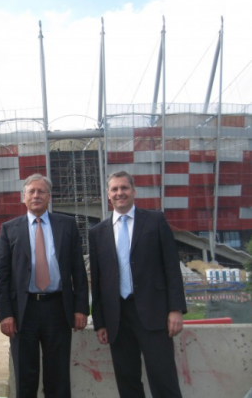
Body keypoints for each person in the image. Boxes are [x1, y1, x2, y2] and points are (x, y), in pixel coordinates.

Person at [89, 170, 187, 398]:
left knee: (164, 380)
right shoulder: (97, 233)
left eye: (124, 188)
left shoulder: (155, 220)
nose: (119, 193)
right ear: (108, 194)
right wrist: (100, 321)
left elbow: (171, 267)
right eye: (114, 189)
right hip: (117, 318)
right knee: (128, 382)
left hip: (154, 313)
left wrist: (176, 309)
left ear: (134, 191)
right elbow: (98, 281)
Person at [0, 173, 89, 398]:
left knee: (58, 376)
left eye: (41, 191)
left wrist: (81, 308)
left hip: (58, 308)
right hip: (23, 311)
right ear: (23, 197)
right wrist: (5, 314)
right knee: (25, 376)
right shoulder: (10, 228)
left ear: (49, 197)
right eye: (31, 192)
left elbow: (78, 270)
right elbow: (3, 275)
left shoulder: (67, 225)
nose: (36, 195)